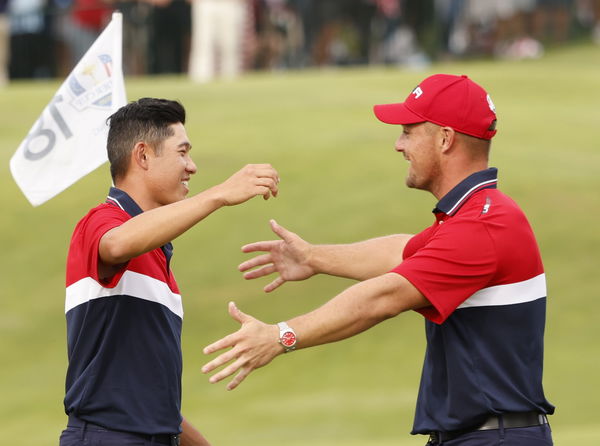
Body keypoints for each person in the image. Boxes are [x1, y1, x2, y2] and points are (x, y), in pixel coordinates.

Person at [201, 74, 555, 445]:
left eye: (407, 131)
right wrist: (312, 257)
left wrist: (280, 336)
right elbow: (401, 253)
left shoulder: (481, 225)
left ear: (445, 139)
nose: (398, 145)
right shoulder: (474, 215)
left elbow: (382, 298)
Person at [61, 98, 280, 446]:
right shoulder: (102, 221)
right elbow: (115, 245)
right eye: (182, 152)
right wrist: (220, 194)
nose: (192, 166)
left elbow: (148, 404)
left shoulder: (157, 252)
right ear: (143, 156)